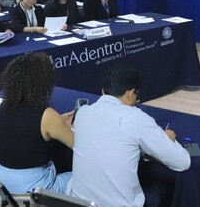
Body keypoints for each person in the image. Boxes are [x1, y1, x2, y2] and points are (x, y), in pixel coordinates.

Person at [69, 66, 191, 207]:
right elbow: (182, 162)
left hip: (78, 203)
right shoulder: (136, 117)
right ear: (130, 93)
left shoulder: (82, 113)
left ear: (103, 91)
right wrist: (169, 140)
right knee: (161, 189)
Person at [0, 53, 74, 194]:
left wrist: (58, 122)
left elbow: (25, 128)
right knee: (90, 178)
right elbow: (78, 145)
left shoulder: (3, 107)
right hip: (33, 191)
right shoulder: (47, 115)